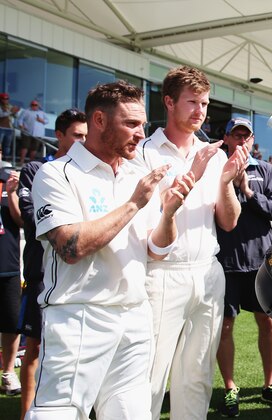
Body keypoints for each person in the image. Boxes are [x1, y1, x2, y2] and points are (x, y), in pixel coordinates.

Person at [25, 80, 189, 420]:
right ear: (98, 121)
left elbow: (155, 250)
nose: (140, 134)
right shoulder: (57, 174)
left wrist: (169, 213)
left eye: (142, 124)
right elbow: (72, 247)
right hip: (78, 315)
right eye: (130, 124)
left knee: (132, 414)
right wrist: (134, 203)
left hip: (134, 314)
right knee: (57, 415)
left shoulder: (136, 174)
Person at [130, 66, 248, 420]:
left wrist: (226, 182)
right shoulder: (145, 153)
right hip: (161, 272)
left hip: (209, 272)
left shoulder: (215, 155)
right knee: (150, 375)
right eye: (192, 102)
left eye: (205, 103)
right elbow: (147, 223)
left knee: (197, 376)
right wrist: (191, 176)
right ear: (168, 102)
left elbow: (229, 222)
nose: (200, 110)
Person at [215, 118, 272, 417]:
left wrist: (247, 190)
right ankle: (230, 387)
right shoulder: (214, 170)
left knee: (267, 322)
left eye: (246, 137)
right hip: (226, 261)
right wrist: (228, 183)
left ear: (251, 141)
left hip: (261, 262)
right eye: (236, 136)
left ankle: (270, 384)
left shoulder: (266, 170)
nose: (241, 141)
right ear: (226, 139)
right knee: (225, 326)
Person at [17, 108, 87, 419]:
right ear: (59, 135)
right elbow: (35, 225)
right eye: (77, 136)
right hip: (40, 274)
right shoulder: (36, 170)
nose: (82, 142)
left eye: (86, 136)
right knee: (34, 350)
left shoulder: (88, 173)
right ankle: (25, 413)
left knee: (78, 353)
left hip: (80, 278)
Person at [0, 166, 22, 397]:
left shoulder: (9, 182)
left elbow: (21, 221)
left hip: (8, 264)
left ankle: (7, 373)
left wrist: (13, 193)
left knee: (11, 322)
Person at [17, 101, 48, 166]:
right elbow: (20, 120)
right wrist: (21, 126)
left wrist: (41, 120)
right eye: (33, 105)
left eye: (35, 105)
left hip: (38, 134)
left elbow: (47, 121)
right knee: (25, 147)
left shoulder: (42, 113)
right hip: (27, 133)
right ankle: (21, 161)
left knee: (34, 148)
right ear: (30, 105)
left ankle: (31, 163)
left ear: (38, 106)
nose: (34, 106)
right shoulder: (26, 111)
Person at [0, 93, 18, 163]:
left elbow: (15, 116)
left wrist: (15, 112)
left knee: (7, 146)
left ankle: (5, 159)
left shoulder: (10, 106)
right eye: (4, 98)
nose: (6, 100)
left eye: (7, 98)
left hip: (9, 128)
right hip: (1, 128)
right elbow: (1, 114)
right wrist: (11, 112)